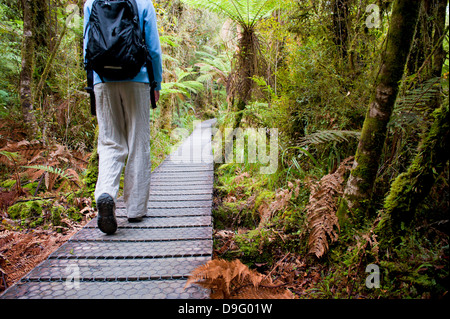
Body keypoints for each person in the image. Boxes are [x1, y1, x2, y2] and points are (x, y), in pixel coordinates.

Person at [83, 0, 163, 234]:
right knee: (138, 142)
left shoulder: (91, 3)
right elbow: (154, 49)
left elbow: (88, 46)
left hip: (103, 80)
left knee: (109, 142)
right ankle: (135, 210)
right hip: (137, 78)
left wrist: (93, 82)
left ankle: (106, 193)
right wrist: (155, 82)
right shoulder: (143, 3)